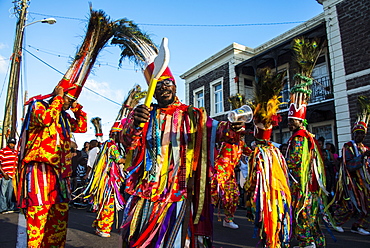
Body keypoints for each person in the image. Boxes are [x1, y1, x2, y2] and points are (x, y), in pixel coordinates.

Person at [118, 44, 245, 246]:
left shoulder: (192, 115)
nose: (164, 88)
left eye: (168, 84)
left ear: (175, 87)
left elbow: (219, 131)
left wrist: (234, 127)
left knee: (176, 242)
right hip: (146, 194)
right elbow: (127, 144)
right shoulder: (143, 115)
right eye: (158, 85)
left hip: (177, 194)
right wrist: (134, 124)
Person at [16, 86, 87, 247]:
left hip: (61, 175)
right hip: (40, 171)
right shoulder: (39, 106)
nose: (69, 103)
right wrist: (58, 97)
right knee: (38, 219)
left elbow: (82, 126)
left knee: (59, 220)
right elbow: (46, 120)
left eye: (72, 101)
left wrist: (77, 108)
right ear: (59, 94)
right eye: (69, 99)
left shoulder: (65, 117)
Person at [244, 68, 291, 247]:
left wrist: (251, 191)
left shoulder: (263, 153)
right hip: (270, 197)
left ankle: (273, 241)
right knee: (271, 219)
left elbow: (258, 178)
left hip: (269, 196)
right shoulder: (273, 150)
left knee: (270, 217)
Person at [330, 96, 370, 235]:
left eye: (362, 134)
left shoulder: (365, 149)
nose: (360, 136)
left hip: (364, 184)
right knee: (350, 205)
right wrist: (362, 158)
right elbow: (349, 165)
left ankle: (357, 226)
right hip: (350, 183)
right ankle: (335, 222)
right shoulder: (348, 147)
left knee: (367, 205)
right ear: (353, 133)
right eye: (358, 133)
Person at [84, 121, 126, 238]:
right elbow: (118, 160)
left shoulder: (106, 144)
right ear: (116, 134)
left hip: (105, 179)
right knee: (108, 203)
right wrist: (129, 158)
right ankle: (103, 228)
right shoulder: (112, 146)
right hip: (109, 181)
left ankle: (99, 226)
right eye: (121, 135)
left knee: (104, 202)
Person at [211, 139, 251, 229]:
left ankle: (228, 219)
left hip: (230, 175)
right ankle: (204, 221)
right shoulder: (223, 140)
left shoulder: (240, 143)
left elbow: (250, 153)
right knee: (212, 197)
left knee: (233, 197)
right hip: (218, 172)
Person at [0, 138, 18, 214]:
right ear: (8, 143)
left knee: (10, 193)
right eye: (11, 143)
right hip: (5, 175)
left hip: (12, 175)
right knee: (3, 193)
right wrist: (3, 173)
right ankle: (3, 208)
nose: (12, 145)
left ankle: (10, 206)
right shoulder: (3, 151)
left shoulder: (16, 152)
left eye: (13, 143)